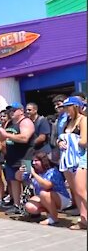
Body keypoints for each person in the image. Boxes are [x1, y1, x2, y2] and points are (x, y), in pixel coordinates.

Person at [0, 102, 35, 216]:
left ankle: (31, 207)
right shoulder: (10, 123)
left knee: (27, 181)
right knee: (13, 181)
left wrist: (6, 135)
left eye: (14, 110)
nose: (11, 113)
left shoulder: (25, 122)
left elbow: (25, 138)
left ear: (21, 111)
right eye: (9, 111)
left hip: (25, 158)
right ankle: (17, 205)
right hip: (11, 158)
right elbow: (4, 139)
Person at [16, 152, 71, 226]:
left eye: (36, 161)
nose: (34, 163)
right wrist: (20, 171)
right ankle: (50, 213)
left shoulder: (52, 171)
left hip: (62, 198)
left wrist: (34, 174)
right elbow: (18, 178)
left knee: (43, 193)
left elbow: (47, 186)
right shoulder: (33, 171)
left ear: (43, 161)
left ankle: (54, 218)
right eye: (33, 161)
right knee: (29, 206)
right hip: (45, 198)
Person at [57, 96, 87, 230]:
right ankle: (84, 219)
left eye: (67, 107)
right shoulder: (68, 121)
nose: (65, 110)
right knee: (75, 191)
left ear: (75, 107)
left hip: (80, 158)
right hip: (68, 159)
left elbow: (84, 141)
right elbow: (60, 138)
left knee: (81, 191)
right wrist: (60, 142)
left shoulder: (83, 120)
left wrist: (70, 141)